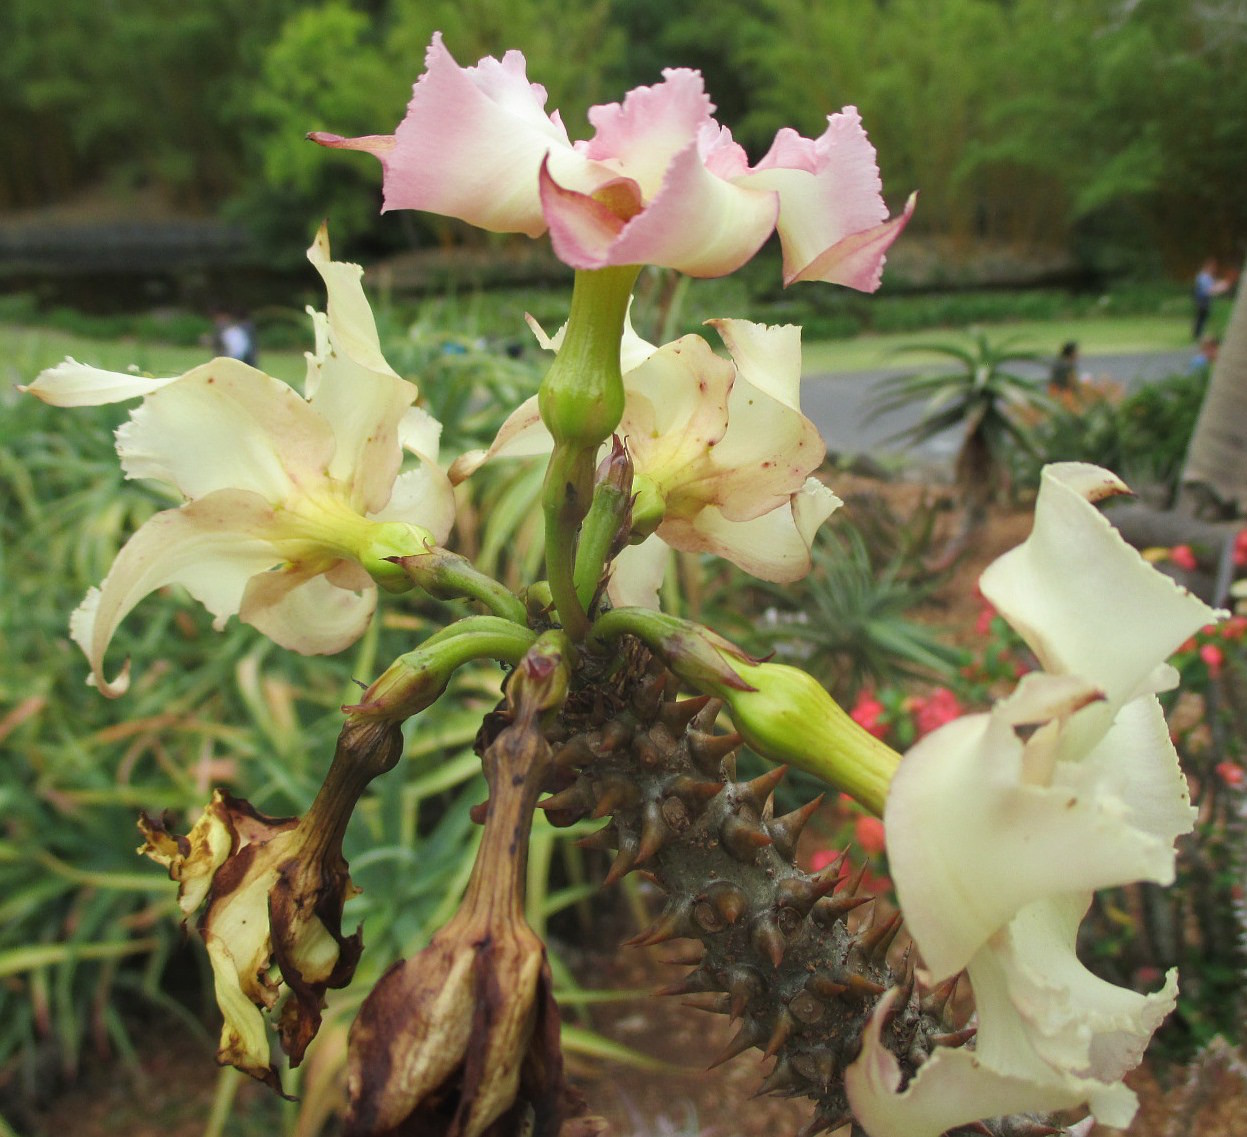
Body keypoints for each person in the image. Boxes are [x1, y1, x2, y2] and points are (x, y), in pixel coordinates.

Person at [1192, 258, 1233, 340]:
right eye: (1212, 267)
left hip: (1205, 300)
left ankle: (1199, 334)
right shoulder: (1203, 277)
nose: (1214, 269)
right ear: (1208, 267)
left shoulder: (1207, 277)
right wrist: (1221, 287)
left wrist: (1221, 286)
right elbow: (1209, 290)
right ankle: (1197, 335)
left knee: (1203, 318)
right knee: (1201, 317)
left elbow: (1212, 287)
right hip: (1202, 300)